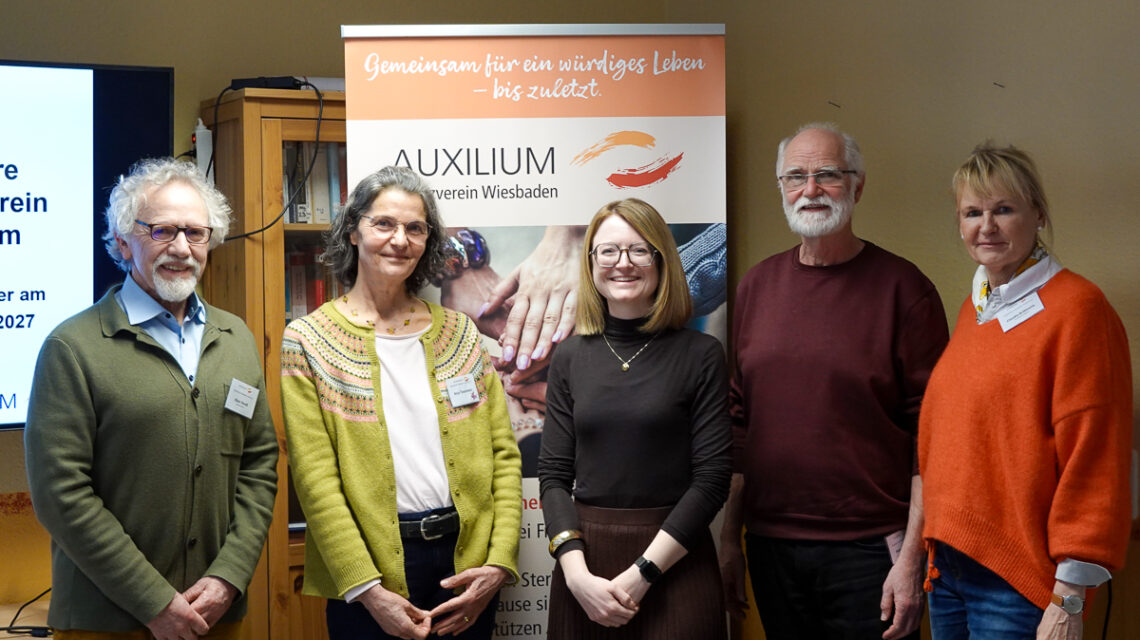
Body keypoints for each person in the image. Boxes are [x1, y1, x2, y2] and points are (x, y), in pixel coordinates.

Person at [24, 157, 279, 639]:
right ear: (122, 241)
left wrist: (229, 577)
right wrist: (154, 602)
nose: (182, 248)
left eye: (196, 233)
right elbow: (62, 495)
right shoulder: (73, 348)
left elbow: (259, 463)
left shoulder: (237, 338)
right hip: (106, 623)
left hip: (215, 617)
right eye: (162, 231)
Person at [718, 123, 949, 640]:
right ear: (781, 188)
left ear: (858, 186)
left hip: (871, 552)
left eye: (827, 175)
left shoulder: (904, 290)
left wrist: (912, 558)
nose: (811, 190)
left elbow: (932, 439)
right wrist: (730, 540)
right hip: (773, 547)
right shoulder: (757, 286)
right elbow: (740, 425)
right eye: (796, 177)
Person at [280, 166, 522, 640]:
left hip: (465, 563)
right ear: (353, 230)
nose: (400, 240)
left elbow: (504, 457)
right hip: (369, 569)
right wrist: (367, 588)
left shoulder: (460, 333)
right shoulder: (307, 340)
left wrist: (497, 562)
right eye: (383, 224)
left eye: (415, 228)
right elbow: (316, 481)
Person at [919, 144, 1132, 639]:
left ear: (1037, 214)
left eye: (1004, 209)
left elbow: (1096, 459)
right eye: (972, 212)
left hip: (1019, 582)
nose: (986, 226)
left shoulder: (1080, 309)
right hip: (948, 569)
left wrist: (1069, 598)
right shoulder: (974, 311)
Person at [538, 198, 732, 638]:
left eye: (638, 250)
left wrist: (643, 573)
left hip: (674, 561)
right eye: (608, 251)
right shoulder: (569, 357)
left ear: (661, 260)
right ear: (590, 264)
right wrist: (575, 574)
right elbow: (552, 475)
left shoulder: (701, 355)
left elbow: (713, 479)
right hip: (584, 567)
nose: (622, 263)